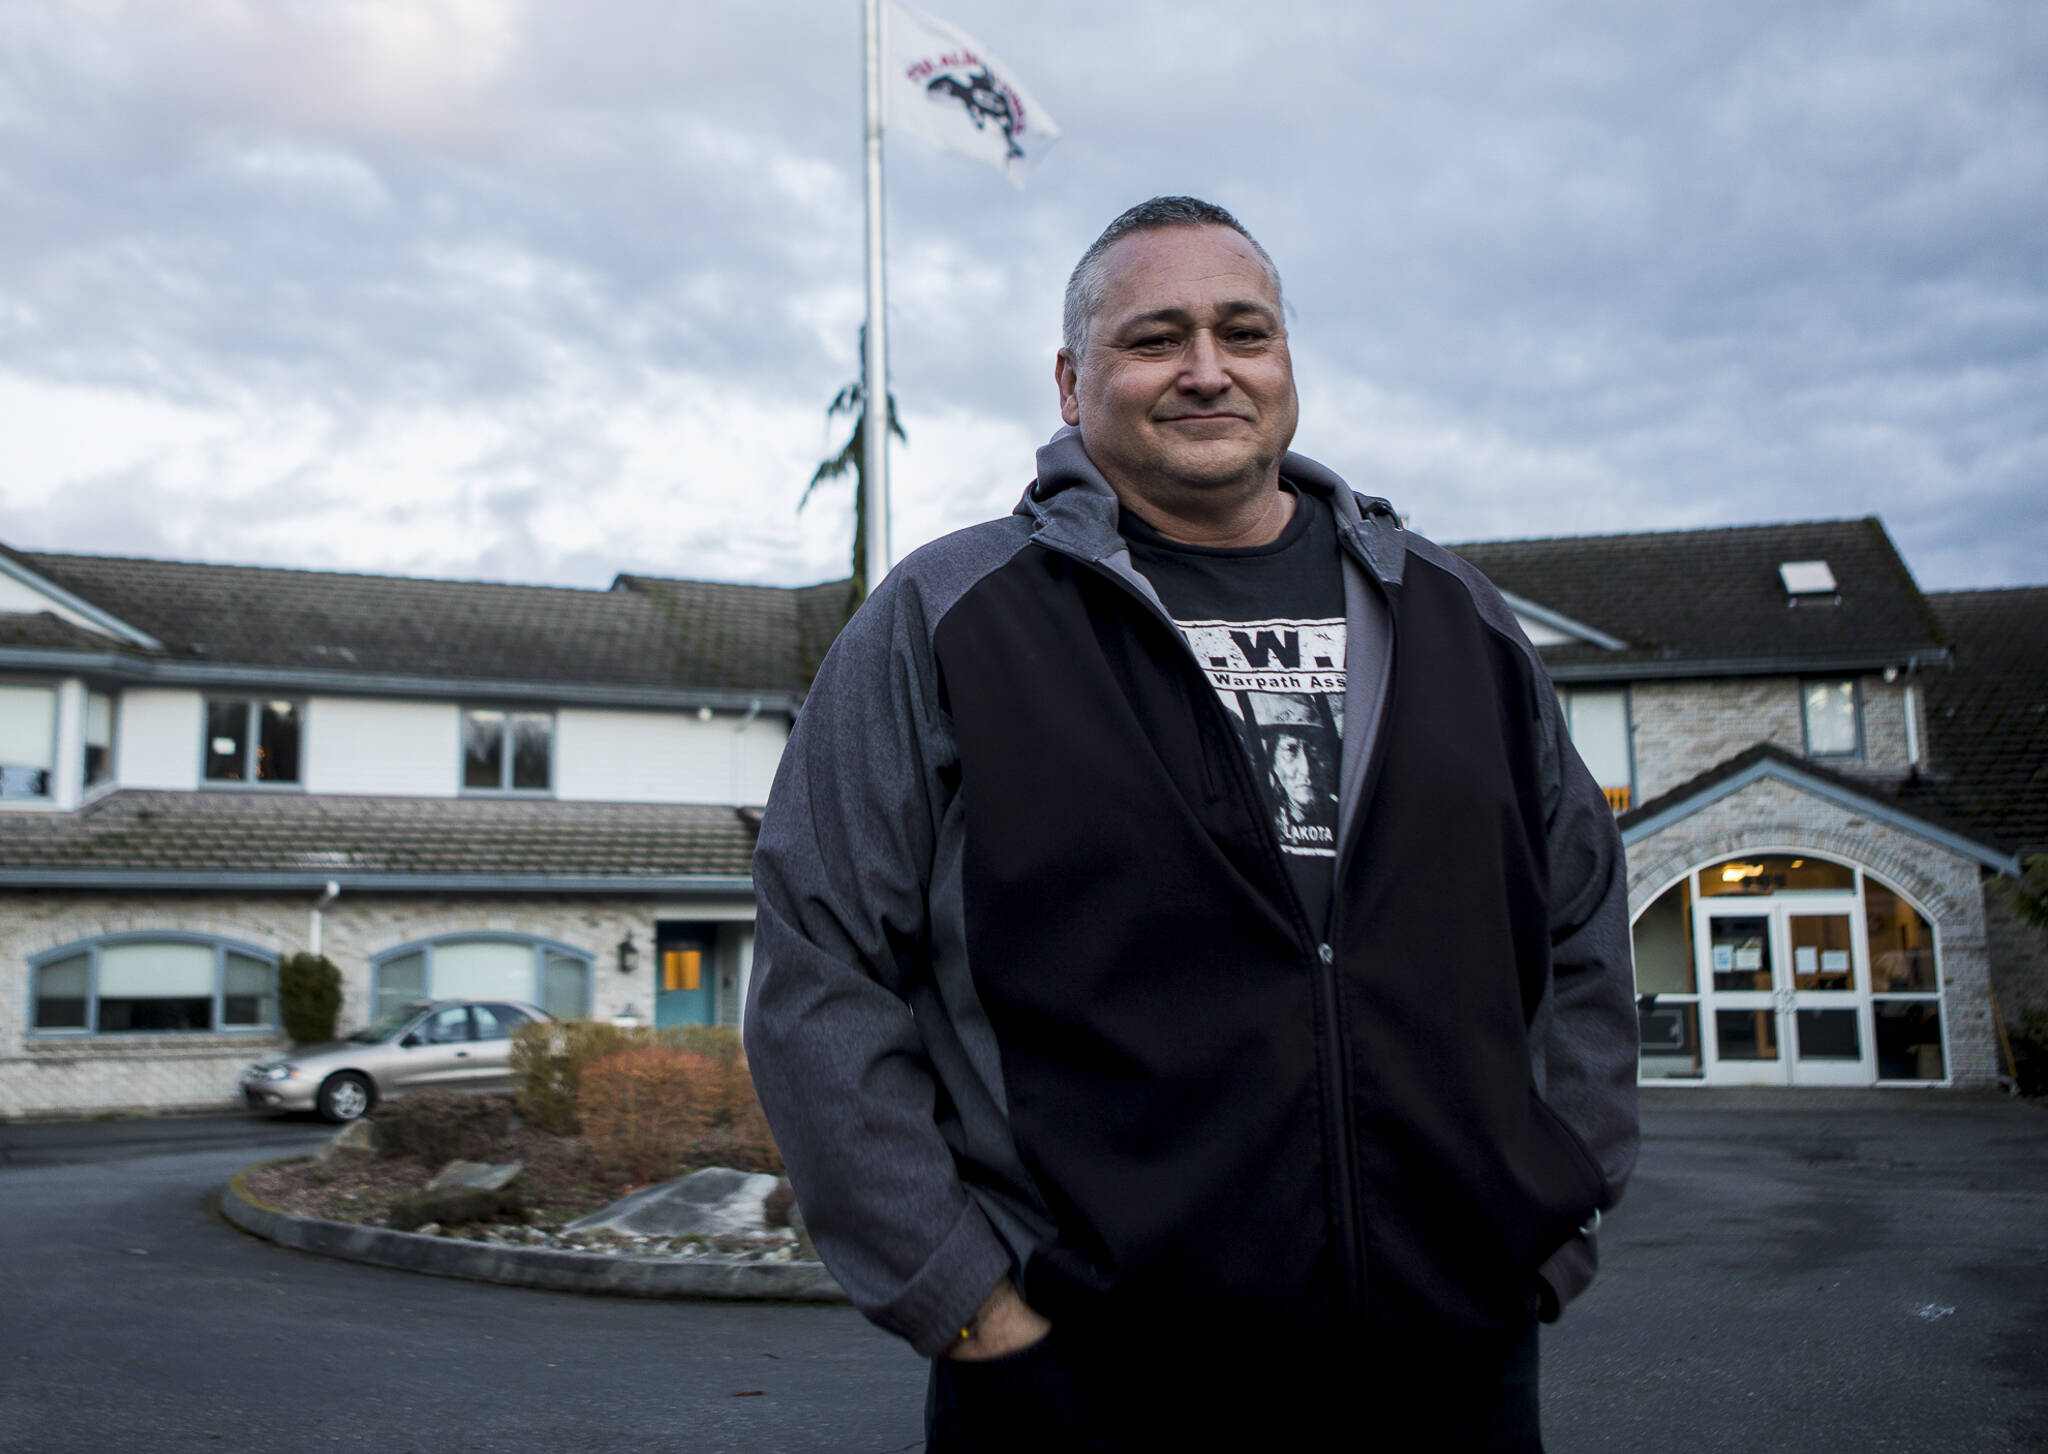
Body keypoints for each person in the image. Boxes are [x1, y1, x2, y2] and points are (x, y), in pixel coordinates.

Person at [745, 196, 1639, 1451]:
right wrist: (961, 1299)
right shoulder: (949, 618)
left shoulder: (1454, 614)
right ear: (1070, 380)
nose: (1207, 369)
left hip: (1451, 1362)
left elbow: (1580, 921)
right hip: (1085, 1379)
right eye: (1155, 336)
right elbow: (818, 968)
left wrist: (1555, 1215)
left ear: (1285, 363)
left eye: (1243, 331)